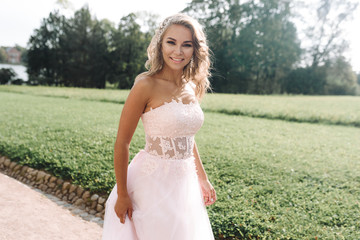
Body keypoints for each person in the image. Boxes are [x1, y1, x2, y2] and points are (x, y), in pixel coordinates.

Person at [102, 13, 216, 240]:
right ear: (160, 44)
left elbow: (185, 136)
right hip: (151, 185)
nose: (178, 51)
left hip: (185, 185)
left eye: (186, 45)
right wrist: (123, 194)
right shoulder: (145, 85)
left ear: (195, 49)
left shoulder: (191, 86)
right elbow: (122, 142)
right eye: (171, 42)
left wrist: (202, 178)